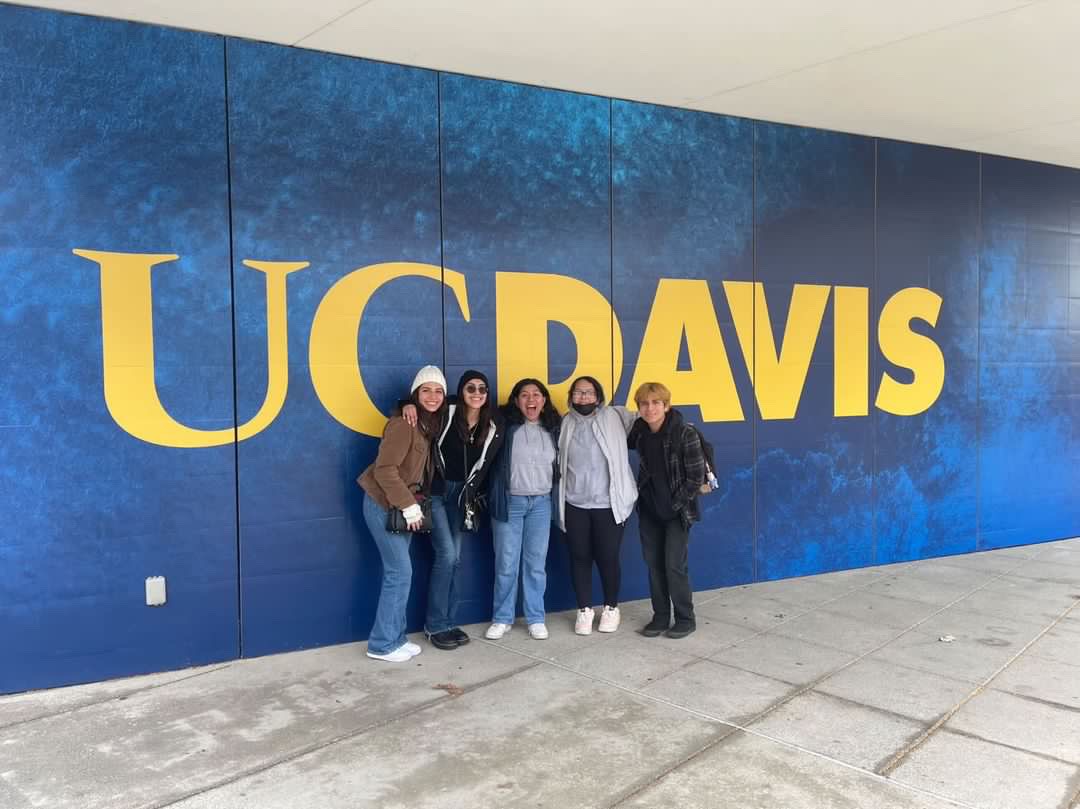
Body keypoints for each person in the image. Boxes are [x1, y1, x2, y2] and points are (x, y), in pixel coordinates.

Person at [356, 366, 447, 662]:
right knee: (400, 573)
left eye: (438, 391)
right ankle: (381, 644)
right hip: (385, 504)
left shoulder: (426, 423)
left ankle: (395, 637)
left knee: (400, 573)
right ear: (415, 394)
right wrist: (408, 506)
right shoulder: (403, 424)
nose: (432, 396)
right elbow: (384, 470)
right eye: (425, 390)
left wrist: (410, 506)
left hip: (404, 506)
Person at [422, 371, 504, 650]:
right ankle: (434, 626)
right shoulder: (448, 410)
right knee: (446, 555)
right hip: (436, 492)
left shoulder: (491, 423)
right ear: (461, 390)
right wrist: (404, 405)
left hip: (461, 497)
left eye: (483, 388)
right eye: (471, 388)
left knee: (454, 559)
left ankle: (446, 622)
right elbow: (413, 404)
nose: (477, 393)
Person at [557, 376, 637, 635]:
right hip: (575, 503)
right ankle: (584, 610)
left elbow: (650, 417)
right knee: (579, 557)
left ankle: (611, 608)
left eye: (589, 393)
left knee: (607, 557)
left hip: (608, 504)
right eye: (578, 393)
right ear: (571, 396)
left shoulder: (616, 416)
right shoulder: (565, 422)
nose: (583, 397)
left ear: (599, 397)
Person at [628, 382, 706, 639]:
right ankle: (660, 616)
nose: (650, 408)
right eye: (644, 404)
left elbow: (695, 478)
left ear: (666, 405)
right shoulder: (639, 433)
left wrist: (675, 504)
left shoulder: (684, 433)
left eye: (655, 403)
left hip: (677, 513)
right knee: (654, 565)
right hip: (649, 512)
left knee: (674, 566)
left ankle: (685, 618)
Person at [485, 378, 561, 640]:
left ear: (544, 400)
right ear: (516, 401)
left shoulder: (554, 428)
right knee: (506, 563)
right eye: (525, 395)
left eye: (536, 394)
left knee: (535, 564)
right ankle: (502, 618)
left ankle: (535, 617)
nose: (531, 400)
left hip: (541, 503)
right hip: (510, 503)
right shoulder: (505, 427)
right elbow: (465, 407)